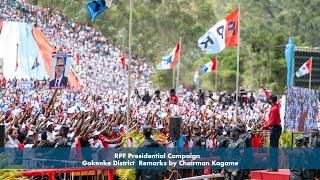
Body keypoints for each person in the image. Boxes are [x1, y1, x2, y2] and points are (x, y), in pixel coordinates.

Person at [261, 94, 281, 172]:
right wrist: (265, 90)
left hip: (275, 128)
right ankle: (274, 167)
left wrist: (264, 127)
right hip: (276, 128)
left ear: (271, 100)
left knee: (273, 148)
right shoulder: (276, 105)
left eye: (269, 99)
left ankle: (273, 167)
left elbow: (272, 122)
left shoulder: (274, 109)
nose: (268, 100)